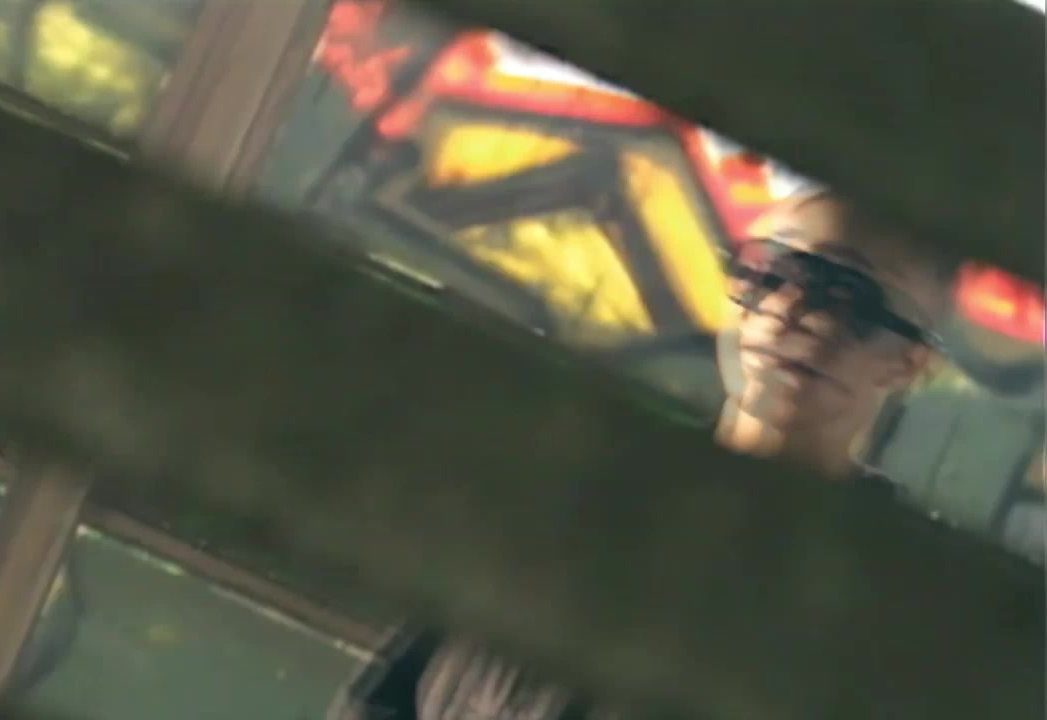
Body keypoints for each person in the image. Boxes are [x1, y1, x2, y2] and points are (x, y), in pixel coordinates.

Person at [326, 188, 962, 720]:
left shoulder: (894, 605)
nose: (788, 308)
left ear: (910, 362)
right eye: (773, 271)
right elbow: (394, 693)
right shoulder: (575, 489)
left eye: (848, 298)